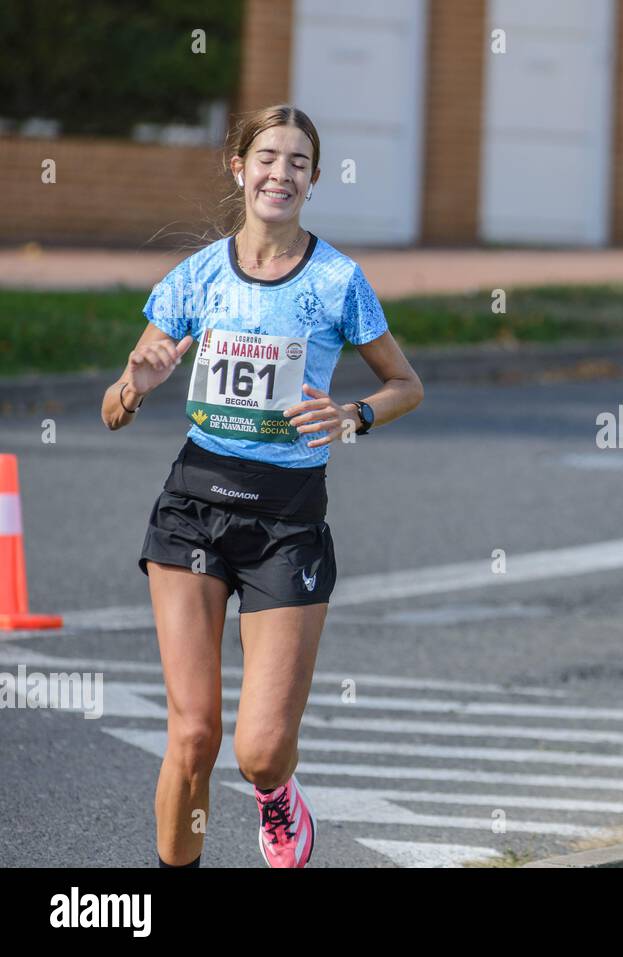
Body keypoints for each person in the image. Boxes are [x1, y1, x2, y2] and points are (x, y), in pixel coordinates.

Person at [101, 104, 424, 867]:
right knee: (192, 735)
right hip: (192, 511)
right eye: (268, 158)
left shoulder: (339, 281)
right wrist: (135, 385)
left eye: (298, 163)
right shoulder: (197, 276)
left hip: (286, 520)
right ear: (238, 168)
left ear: (312, 182)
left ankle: (278, 797)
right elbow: (113, 408)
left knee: (260, 751)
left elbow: (406, 385)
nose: (281, 173)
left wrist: (353, 416)